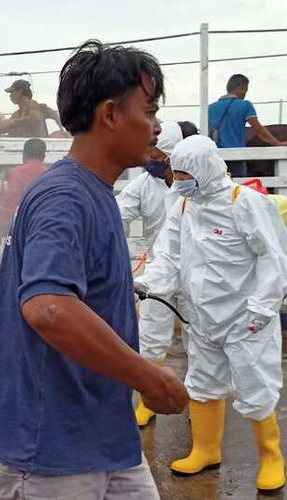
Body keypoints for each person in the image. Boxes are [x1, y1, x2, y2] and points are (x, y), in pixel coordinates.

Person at [0, 41, 188, 499]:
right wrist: (149, 378)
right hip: (51, 453)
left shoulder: (95, 192)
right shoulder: (64, 197)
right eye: (148, 111)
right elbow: (49, 308)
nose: (156, 126)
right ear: (110, 114)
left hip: (104, 439)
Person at [136, 135, 287, 494]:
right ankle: (205, 450)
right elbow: (168, 255)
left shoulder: (246, 204)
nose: (180, 179)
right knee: (202, 383)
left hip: (244, 319)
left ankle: (271, 457)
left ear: (204, 169)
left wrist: (262, 308)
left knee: (254, 386)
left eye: (186, 172)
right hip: (201, 318)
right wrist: (148, 284)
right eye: (178, 172)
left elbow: (274, 259)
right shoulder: (185, 206)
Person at [115, 121, 186, 427]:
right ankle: (148, 402)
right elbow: (117, 211)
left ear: (172, 155)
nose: (151, 161)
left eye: (157, 156)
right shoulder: (145, 183)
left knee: (202, 339)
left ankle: (203, 399)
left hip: (201, 272)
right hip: (159, 270)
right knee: (152, 336)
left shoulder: (195, 183)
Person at [208, 74, 287, 178]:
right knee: (238, 189)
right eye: (245, 90)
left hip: (215, 157)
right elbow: (258, 129)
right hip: (237, 156)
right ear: (241, 88)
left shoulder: (210, 108)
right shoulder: (245, 105)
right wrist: (277, 143)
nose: (245, 94)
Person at [0, 138, 48, 246]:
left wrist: (0, 231)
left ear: (24, 154)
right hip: (43, 230)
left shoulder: (18, 173)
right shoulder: (48, 173)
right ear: (43, 156)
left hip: (21, 230)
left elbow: (10, 204)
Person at [0, 79, 64, 137]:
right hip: (23, 147)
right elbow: (7, 127)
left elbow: (34, 118)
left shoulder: (32, 104)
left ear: (20, 91)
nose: (10, 96)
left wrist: (62, 130)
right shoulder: (16, 114)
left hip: (37, 147)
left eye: (12, 92)